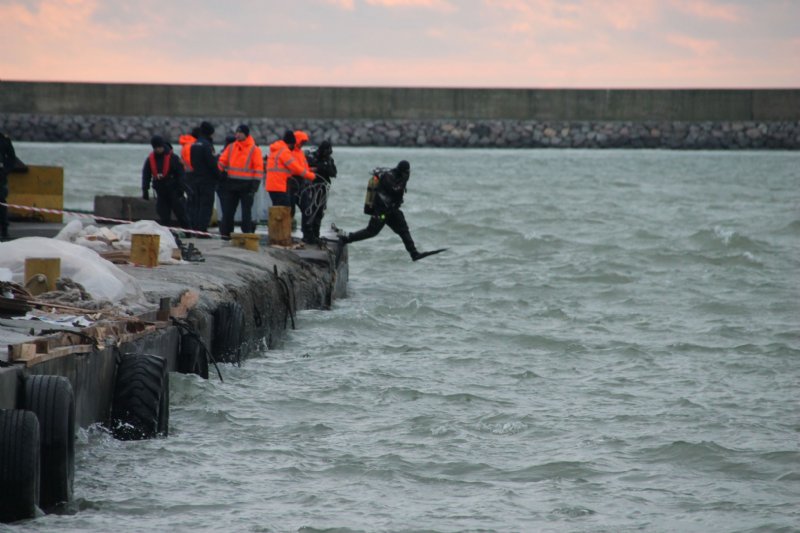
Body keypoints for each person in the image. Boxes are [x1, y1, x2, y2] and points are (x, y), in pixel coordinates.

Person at [340, 160, 444, 261]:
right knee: (371, 231)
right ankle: (347, 238)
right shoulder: (388, 177)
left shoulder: (399, 177)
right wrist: (404, 181)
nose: (408, 175)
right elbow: (395, 190)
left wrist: (403, 180)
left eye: (408, 172)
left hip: (392, 210)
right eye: (406, 172)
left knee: (403, 230)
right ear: (401, 171)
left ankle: (414, 253)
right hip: (382, 212)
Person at [217, 124, 264, 237]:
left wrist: (255, 186)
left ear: (246, 134)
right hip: (232, 184)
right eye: (236, 132)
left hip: (247, 186)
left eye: (240, 133)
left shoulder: (254, 149)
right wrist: (218, 173)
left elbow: (258, 168)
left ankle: (246, 234)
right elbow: (222, 162)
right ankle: (226, 234)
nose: (237, 135)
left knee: (246, 212)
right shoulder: (231, 147)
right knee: (228, 211)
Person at [142, 135, 191, 229]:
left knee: (181, 214)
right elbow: (146, 175)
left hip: (174, 190)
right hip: (160, 191)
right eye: (156, 148)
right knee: (163, 214)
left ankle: (189, 232)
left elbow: (181, 174)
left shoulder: (173, 158)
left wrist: (183, 188)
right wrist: (145, 190)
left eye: (159, 147)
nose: (158, 149)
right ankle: (166, 233)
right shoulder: (150, 160)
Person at [185, 121, 219, 234]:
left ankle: (194, 228)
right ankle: (202, 230)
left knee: (196, 205)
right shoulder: (207, 146)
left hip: (195, 179)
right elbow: (212, 164)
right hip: (207, 180)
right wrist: (219, 176)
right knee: (206, 206)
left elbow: (193, 162)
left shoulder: (194, 145)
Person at [265, 130, 315, 208]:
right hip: (280, 186)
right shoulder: (284, 152)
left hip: (272, 186)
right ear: (291, 143)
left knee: (278, 212)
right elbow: (295, 168)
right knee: (285, 210)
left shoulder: (276, 150)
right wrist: (311, 176)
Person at [302, 140, 337, 244]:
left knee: (319, 212)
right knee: (309, 211)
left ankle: (315, 234)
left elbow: (333, 173)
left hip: (322, 189)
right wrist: (317, 169)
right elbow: (304, 168)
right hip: (310, 187)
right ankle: (307, 234)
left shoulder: (329, 160)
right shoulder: (311, 156)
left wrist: (318, 169)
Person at [0, 132, 17, 240]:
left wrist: (5, 171)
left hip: (0, 176)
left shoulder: (3, 139)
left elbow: (11, 158)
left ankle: (4, 230)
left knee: (1, 201)